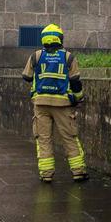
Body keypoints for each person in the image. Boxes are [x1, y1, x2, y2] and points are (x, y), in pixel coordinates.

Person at [21, 23, 87, 183]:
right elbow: (75, 82)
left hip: (41, 104)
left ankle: (46, 174)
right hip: (63, 105)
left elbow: (27, 77)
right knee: (70, 137)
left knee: (43, 139)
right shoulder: (68, 57)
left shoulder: (35, 56)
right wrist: (79, 97)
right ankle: (78, 172)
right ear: (60, 39)